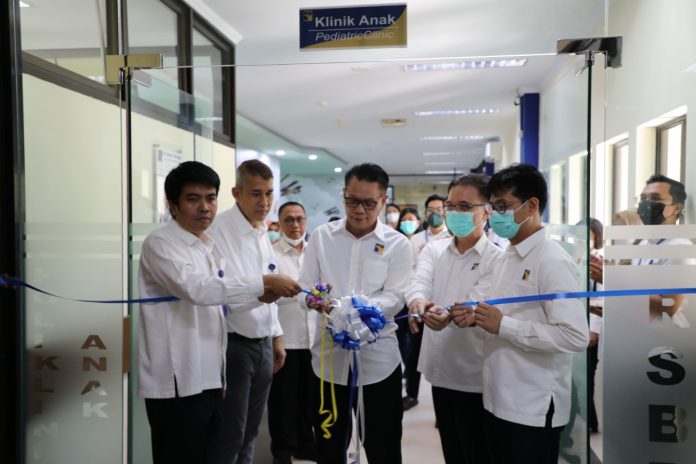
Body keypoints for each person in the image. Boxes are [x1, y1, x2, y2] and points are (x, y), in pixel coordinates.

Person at [138, 161, 298, 464]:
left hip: (210, 376)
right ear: (172, 204)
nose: (205, 207)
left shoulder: (204, 245)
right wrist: (263, 283)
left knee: (222, 446)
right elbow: (198, 289)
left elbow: (220, 303)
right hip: (177, 380)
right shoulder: (160, 243)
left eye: (210, 198)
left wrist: (263, 296)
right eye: (193, 199)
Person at [471, 163, 589, 464]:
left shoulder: (552, 261)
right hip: (498, 398)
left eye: (503, 206)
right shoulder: (507, 256)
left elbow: (575, 337)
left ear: (532, 205)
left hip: (532, 407)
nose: (495, 215)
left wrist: (504, 326)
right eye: (492, 207)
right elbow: (502, 314)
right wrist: (475, 316)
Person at [298, 163, 412, 464]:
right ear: (344, 194)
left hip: (379, 364)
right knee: (328, 448)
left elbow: (396, 296)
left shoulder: (397, 244)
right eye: (352, 201)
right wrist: (314, 299)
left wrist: (357, 309)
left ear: (383, 200)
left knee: (383, 448)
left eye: (369, 203)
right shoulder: (322, 237)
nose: (359, 210)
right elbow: (304, 288)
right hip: (328, 363)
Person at [209, 159, 302, 464]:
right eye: (256, 193)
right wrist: (266, 287)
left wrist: (276, 336)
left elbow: (268, 286)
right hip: (233, 346)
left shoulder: (262, 230)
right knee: (230, 434)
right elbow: (222, 295)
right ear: (236, 193)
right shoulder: (219, 231)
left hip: (263, 345)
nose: (264, 202)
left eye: (269, 193)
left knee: (251, 432)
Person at [408, 174, 502, 464]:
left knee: (477, 451)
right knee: (452, 450)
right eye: (450, 206)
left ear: (486, 211)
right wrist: (418, 303)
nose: (455, 213)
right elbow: (419, 282)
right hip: (440, 369)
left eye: (465, 207)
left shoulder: (497, 258)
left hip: (476, 374)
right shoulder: (434, 250)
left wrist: (447, 314)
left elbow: (475, 299)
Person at [267, 201, 317, 464]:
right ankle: (283, 451)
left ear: (306, 221)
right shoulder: (271, 255)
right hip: (284, 338)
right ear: (279, 223)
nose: (295, 224)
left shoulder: (316, 253)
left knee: (309, 397)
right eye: (289, 220)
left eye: (300, 219)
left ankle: (306, 445)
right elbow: (266, 299)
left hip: (314, 338)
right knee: (283, 401)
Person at [403, 195, 450, 410]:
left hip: (443, 305)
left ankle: (442, 410)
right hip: (420, 303)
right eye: (431, 210)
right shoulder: (415, 240)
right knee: (414, 353)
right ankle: (411, 394)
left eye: (439, 209)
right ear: (425, 213)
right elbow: (409, 272)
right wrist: (415, 298)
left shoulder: (451, 237)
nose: (435, 214)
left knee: (443, 354)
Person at [632, 174, 695, 327]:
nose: (646, 204)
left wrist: (616, 284)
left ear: (677, 208)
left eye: (655, 198)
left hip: (669, 335)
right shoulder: (643, 245)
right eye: (643, 198)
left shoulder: (681, 249)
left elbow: (669, 305)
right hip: (642, 330)